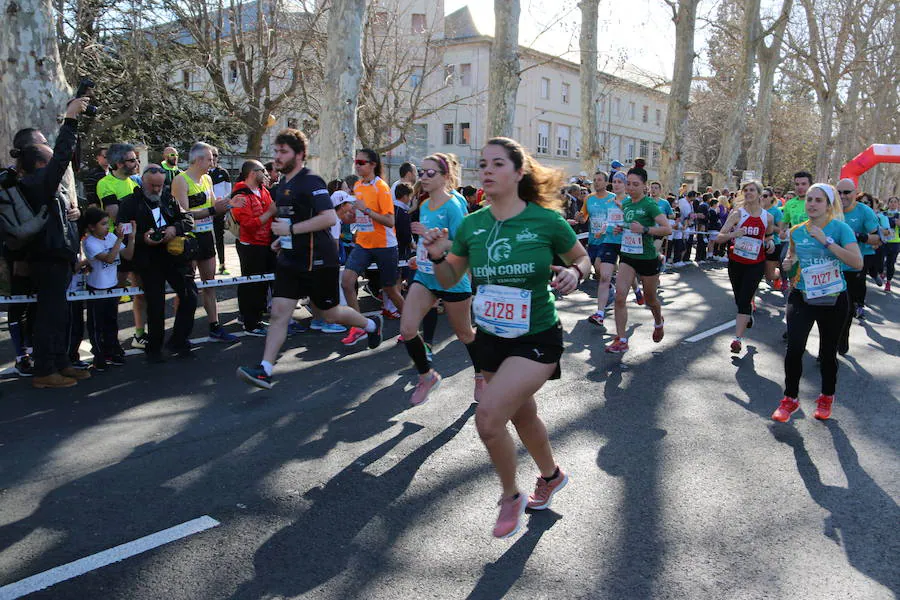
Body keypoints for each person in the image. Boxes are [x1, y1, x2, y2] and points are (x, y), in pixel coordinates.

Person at [421, 136, 590, 539]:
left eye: (497, 164)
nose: (487, 170)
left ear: (518, 173)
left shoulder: (545, 221)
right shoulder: (473, 225)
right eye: (483, 164)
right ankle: (551, 475)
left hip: (537, 336)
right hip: (491, 338)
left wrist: (575, 272)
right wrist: (438, 255)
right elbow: (449, 280)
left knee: (488, 418)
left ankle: (510, 495)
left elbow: (582, 257)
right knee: (522, 413)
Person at [237, 129, 383, 389]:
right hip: (291, 260)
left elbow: (329, 218)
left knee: (330, 315)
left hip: (318, 261)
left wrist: (291, 231)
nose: (278, 157)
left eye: (284, 151)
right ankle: (265, 369)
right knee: (280, 313)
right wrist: (282, 239)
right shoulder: (282, 186)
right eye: (276, 151)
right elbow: (292, 220)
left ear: (299, 154)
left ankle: (371, 324)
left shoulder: (311, 181)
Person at [772, 183, 862, 423]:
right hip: (802, 296)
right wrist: (788, 266)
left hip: (833, 299)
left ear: (828, 204)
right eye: (809, 199)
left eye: (818, 200)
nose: (811, 204)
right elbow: (792, 257)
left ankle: (826, 397)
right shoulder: (797, 231)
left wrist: (827, 242)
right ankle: (789, 399)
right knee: (794, 349)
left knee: (827, 352)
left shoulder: (841, 229)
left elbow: (857, 262)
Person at [400, 153, 482, 406]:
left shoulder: (453, 206)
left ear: (445, 177)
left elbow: (465, 244)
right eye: (421, 172)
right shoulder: (424, 206)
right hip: (426, 275)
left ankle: (482, 375)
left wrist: (434, 239)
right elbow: (431, 243)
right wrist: (420, 254)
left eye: (430, 173)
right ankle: (427, 376)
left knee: (465, 334)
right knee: (407, 329)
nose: (423, 177)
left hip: (453, 277)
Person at [20, 98, 89, 388]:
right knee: (49, 317)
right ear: (40, 163)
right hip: (47, 258)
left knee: (58, 315)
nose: (59, 165)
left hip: (58, 256)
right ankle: (44, 372)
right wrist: (70, 119)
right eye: (51, 159)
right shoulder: (37, 181)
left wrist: (75, 213)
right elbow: (62, 155)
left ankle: (61, 363)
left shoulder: (43, 184)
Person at [118, 165, 198, 362]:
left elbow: (188, 219)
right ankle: (154, 348)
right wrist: (141, 238)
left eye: (160, 186)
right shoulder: (129, 203)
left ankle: (179, 340)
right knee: (155, 304)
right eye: (153, 185)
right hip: (147, 259)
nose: (156, 189)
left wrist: (174, 228)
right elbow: (120, 231)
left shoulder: (168, 198)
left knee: (189, 294)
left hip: (172, 255)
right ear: (143, 181)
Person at [172, 142, 240, 342]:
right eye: (210, 158)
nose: (213, 162)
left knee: (209, 284)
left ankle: (215, 326)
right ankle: (180, 330)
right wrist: (212, 210)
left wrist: (229, 204)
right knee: (185, 287)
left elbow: (213, 205)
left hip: (206, 236)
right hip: (188, 239)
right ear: (199, 159)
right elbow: (183, 214)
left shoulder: (208, 179)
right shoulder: (181, 180)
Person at [340, 148, 404, 345]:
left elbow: (390, 221)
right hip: (363, 244)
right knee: (347, 282)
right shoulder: (358, 186)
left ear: (373, 165)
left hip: (385, 245)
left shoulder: (381, 187)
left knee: (391, 290)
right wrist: (349, 216)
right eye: (356, 161)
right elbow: (357, 216)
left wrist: (365, 210)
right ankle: (359, 326)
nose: (357, 165)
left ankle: (411, 325)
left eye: (361, 162)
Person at [605, 166, 672, 353]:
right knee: (619, 297)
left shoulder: (649, 205)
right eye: (629, 184)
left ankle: (658, 321)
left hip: (647, 258)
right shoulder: (626, 204)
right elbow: (629, 226)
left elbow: (667, 229)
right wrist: (622, 228)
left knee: (651, 300)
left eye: (636, 184)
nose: (631, 188)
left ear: (644, 186)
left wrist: (645, 229)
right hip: (627, 256)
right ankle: (622, 339)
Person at [96, 143, 147, 347]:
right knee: (113, 295)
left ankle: (139, 334)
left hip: (136, 241)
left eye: (136, 159)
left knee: (140, 291)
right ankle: (107, 339)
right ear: (118, 163)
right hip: (115, 244)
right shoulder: (105, 183)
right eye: (132, 160)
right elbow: (115, 214)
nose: (137, 163)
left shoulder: (137, 182)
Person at [716, 181, 775, 353]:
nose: (748, 193)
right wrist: (734, 234)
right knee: (739, 299)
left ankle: (737, 339)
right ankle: (746, 316)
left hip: (756, 264)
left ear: (759, 194)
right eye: (746, 190)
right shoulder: (737, 214)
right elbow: (720, 237)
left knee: (744, 299)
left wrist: (770, 244)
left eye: (752, 190)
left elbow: (769, 237)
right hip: (736, 262)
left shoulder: (767, 217)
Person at [82, 207, 134, 369]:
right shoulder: (89, 242)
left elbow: (128, 256)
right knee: (97, 324)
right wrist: (119, 240)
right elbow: (110, 259)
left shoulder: (111, 237)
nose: (107, 227)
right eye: (103, 224)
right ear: (92, 227)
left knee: (111, 321)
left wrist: (130, 238)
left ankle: (112, 350)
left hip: (112, 287)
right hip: (97, 288)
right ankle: (99, 354)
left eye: (108, 224)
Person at [230, 160, 277, 336]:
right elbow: (248, 224)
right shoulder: (241, 195)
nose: (265, 173)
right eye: (262, 170)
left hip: (265, 244)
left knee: (262, 284)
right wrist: (270, 213)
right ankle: (250, 323)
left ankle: (256, 318)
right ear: (252, 173)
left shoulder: (263, 190)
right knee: (251, 285)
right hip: (250, 245)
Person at [835, 178, 879, 354]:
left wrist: (859, 236)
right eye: (839, 192)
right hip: (829, 267)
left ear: (855, 193)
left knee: (846, 308)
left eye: (847, 192)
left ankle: (843, 334)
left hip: (852, 268)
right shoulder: (830, 209)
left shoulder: (864, 212)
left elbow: (877, 239)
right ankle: (828, 347)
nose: (843, 196)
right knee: (827, 309)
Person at [579, 170, 619, 330]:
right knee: (596, 272)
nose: (596, 182)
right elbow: (583, 217)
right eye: (594, 180)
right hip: (593, 240)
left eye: (599, 180)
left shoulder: (612, 198)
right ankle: (611, 289)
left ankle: (605, 301)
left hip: (608, 240)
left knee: (599, 266)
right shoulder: (589, 198)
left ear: (606, 182)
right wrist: (579, 218)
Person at [208, 148, 231, 275]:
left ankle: (222, 265)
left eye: (215, 155)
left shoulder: (223, 172)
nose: (214, 158)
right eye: (211, 156)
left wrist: (226, 208)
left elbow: (228, 192)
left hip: (220, 210)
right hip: (206, 211)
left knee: (219, 238)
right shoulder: (203, 173)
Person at [763, 187, 785, 289]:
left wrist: (769, 224)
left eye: (765, 196)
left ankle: (778, 276)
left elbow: (781, 229)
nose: (762, 198)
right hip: (757, 243)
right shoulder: (756, 209)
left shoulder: (776, 211)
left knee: (769, 275)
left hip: (773, 243)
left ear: (772, 197)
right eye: (761, 195)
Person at [882, 196, 899, 292]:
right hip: (883, 241)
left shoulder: (899, 215)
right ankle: (881, 272)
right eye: (891, 202)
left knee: (890, 263)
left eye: (895, 202)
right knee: (880, 261)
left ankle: (888, 282)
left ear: (898, 204)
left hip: (895, 242)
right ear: (888, 203)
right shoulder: (883, 214)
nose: (893, 204)